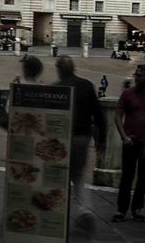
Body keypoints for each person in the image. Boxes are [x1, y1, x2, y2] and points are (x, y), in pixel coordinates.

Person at [56, 58, 104, 233]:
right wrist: (102, 139)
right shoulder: (86, 85)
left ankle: (55, 213)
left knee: (58, 175)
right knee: (79, 176)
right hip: (82, 138)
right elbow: (99, 114)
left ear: (59, 70)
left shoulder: (56, 87)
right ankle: (84, 210)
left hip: (61, 139)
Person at [114, 64, 145, 224]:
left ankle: (137, 209)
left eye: (139, 75)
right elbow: (118, 116)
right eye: (135, 74)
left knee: (143, 178)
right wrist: (123, 136)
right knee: (126, 176)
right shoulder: (127, 94)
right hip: (130, 142)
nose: (136, 77)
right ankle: (121, 209)